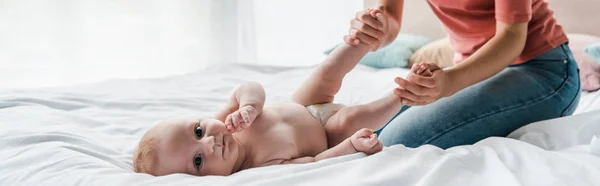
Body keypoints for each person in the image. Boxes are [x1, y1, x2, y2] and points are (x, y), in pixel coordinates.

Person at [132, 8, 431, 176]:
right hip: (325, 133)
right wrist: (351, 146)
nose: (210, 143)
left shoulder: (227, 119)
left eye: (197, 130)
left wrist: (249, 105)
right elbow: (313, 163)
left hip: (300, 104)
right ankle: (400, 95)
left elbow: (249, 88)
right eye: (198, 161)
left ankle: (364, 39)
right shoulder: (257, 168)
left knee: (325, 73)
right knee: (350, 119)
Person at [346, 0, 581, 149]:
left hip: (543, 72)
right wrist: (377, 27)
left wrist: (449, 82)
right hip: (474, 71)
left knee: (394, 142)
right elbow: (390, 14)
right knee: (360, 130)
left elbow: (511, 36)